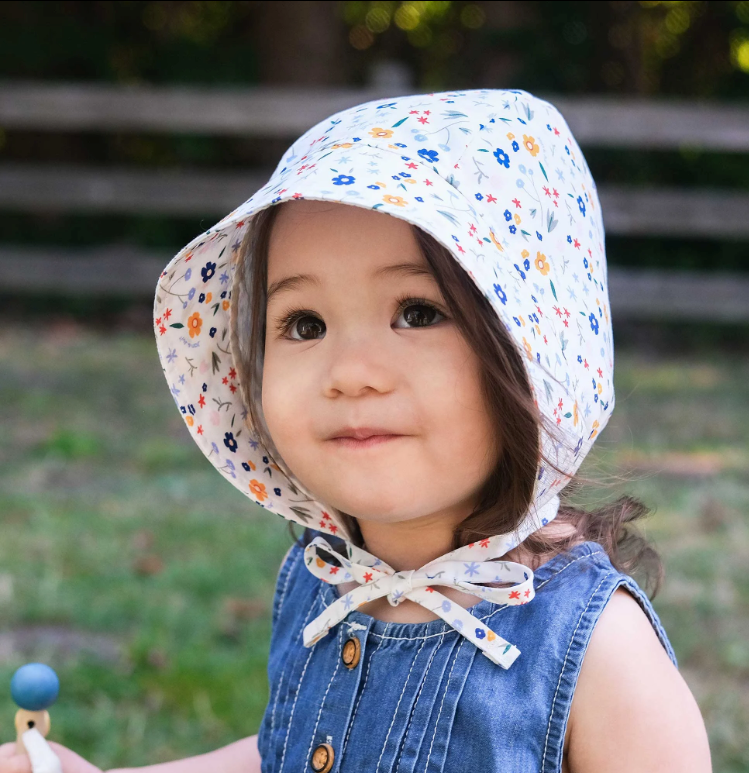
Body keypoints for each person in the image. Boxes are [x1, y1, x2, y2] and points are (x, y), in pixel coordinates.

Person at [0, 88, 712, 773]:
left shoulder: (599, 651)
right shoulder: (324, 580)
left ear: (536, 346)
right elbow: (290, 747)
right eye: (305, 324)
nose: (350, 372)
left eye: (417, 312)